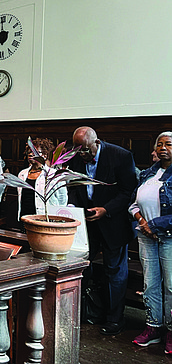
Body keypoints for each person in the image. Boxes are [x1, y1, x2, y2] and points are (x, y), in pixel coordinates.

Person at [68, 126, 137, 335]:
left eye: (86, 150)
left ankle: (115, 320)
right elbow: (73, 187)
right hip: (87, 223)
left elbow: (128, 191)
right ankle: (86, 312)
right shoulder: (75, 158)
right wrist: (72, 209)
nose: (82, 155)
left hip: (113, 222)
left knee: (114, 272)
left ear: (96, 143)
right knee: (81, 268)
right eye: (78, 150)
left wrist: (105, 209)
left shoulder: (121, 156)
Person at [129, 132, 172, 351]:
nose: (163, 147)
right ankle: (154, 326)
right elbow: (133, 204)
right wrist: (142, 221)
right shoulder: (147, 173)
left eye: (169, 144)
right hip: (146, 237)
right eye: (160, 144)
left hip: (169, 238)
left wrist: (154, 225)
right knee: (151, 285)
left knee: (171, 286)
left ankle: (171, 332)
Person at [17, 138, 67, 221]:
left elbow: (62, 199)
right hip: (25, 217)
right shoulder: (22, 174)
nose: (30, 154)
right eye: (29, 152)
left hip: (44, 219)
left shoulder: (54, 174)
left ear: (44, 155)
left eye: (35, 152)